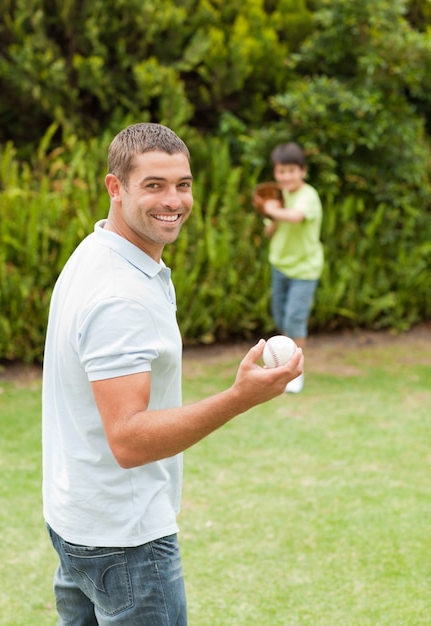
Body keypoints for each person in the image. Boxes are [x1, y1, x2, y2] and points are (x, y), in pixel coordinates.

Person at [42, 122, 303, 626]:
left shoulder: (97, 250)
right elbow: (129, 440)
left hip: (78, 520)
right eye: (154, 185)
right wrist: (240, 397)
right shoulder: (120, 294)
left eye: (182, 184)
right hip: (125, 539)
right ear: (115, 188)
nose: (174, 200)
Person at [252, 141, 323, 394]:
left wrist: (273, 209)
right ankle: (285, 363)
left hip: (304, 270)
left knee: (294, 320)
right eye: (281, 171)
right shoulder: (279, 196)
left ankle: (296, 374)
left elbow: (296, 217)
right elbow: (271, 231)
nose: (286, 176)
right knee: (281, 318)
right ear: (275, 173)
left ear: (303, 171)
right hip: (279, 266)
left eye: (292, 170)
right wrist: (270, 214)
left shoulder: (308, 196)